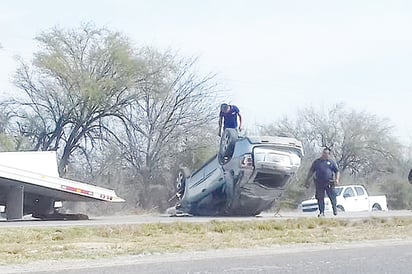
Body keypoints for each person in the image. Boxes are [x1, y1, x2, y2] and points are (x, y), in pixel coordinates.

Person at [305, 147, 340, 217]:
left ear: (329, 154)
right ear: (322, 153)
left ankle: (334, 209)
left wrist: (337, 179)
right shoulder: (317, 162)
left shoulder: (331, 162)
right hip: (319, 183)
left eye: (327, 154)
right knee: (320, 198)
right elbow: (311, 171)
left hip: (329, 182)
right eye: (324, 153)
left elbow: (337, 171)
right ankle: (322, 212)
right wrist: (307, 181)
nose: (325, 155)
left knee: (332, 196)